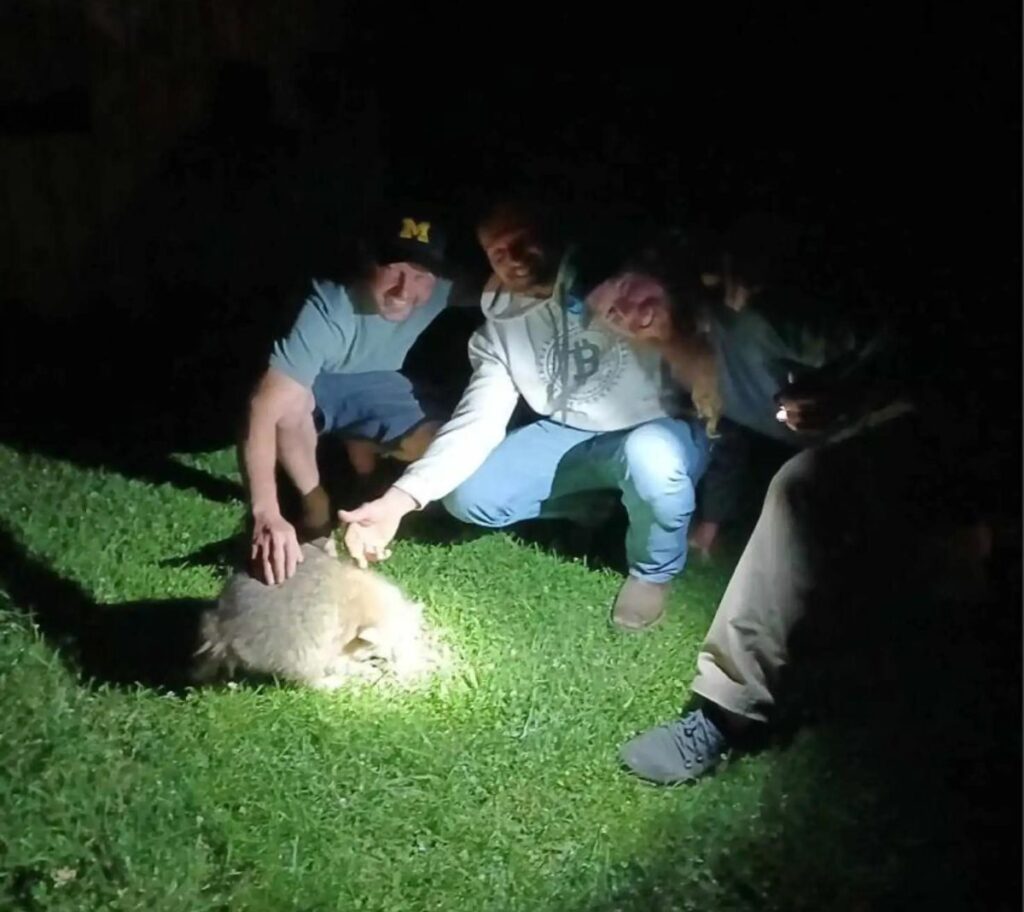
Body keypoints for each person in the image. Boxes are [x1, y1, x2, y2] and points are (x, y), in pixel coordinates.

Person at [586, 230, 940, 781]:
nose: (628, 311)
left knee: (799, 486)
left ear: (662, 274)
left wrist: (847, 395)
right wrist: (711, 519)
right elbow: (727, 436)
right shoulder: (692, 367)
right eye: (612, 314)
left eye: (627, 289)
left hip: (918, 429)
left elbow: (903, 351)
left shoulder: (757, 322)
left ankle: (722, 713)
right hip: (856, 456)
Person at [338, 200, 714, 630]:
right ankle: (595, 506)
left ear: (552, 235)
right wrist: (397, 502)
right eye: (498, 251)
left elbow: (712, 370)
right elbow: (475, 424)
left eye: (523, 242)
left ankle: (653, 573)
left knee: (653, 457)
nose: (513, 258)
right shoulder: (500, 328)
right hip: (566, 432)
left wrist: (670, 335)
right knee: (469, 496)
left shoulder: (622, 283)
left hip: (656, 426)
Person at [242, 208, 469, 585]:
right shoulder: (327, 305)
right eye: (393, 268)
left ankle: (362, 457)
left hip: (375, 381)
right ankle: (316, 508)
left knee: (441, 442)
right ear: (368, 260)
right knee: (288, 406)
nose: (404, 289)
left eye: (420, 275)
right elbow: (262, 409)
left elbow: (511, 289)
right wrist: (266, 511)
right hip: (317, 383)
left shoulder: (442, 289)